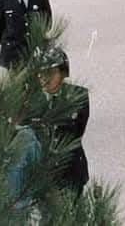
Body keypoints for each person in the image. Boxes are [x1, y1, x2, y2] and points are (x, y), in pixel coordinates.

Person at [33, 48, 90, 195]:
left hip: (70, 169)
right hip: (39, 173)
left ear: (63, 73)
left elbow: (75, 131)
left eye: (51, 73)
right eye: (41, 73)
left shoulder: (78, 96)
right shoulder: (30, 101)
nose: (46, 79)